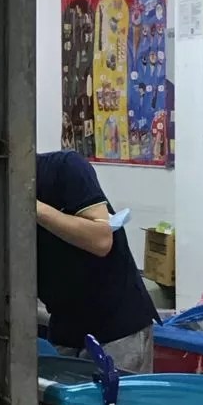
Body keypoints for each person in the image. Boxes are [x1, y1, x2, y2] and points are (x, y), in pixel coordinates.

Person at [33, 148, 157, 370]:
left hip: (116, 327)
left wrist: (35, 208)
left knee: (114, 403)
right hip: (65, 325)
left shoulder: (64, 167)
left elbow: (101, 240)